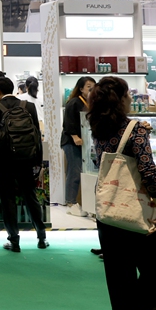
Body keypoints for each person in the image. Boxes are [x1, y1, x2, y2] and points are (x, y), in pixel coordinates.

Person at [87, 76, 156, 310]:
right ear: (122, 99)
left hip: (108, 211)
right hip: (134, 210)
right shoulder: (135, 129)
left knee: (119, 274)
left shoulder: (97, 129)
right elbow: (147, 169)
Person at [0, 75, 47, 251]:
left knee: (7, 198)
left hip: (3, 159)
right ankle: (41, 237)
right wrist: (38, 160)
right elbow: (36, 133)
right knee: (30, 195)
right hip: (26, 158)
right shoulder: (28, 106)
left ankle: (14, 240)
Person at [61, 76, 95, 217]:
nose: (91, 90)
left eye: (93, 87)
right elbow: (68, 123)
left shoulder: (90, 103)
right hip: (71, 142)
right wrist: (75, 136)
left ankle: (81, 202)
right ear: (80, 89)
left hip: (84, 143)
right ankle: (70, 202)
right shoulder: (74, 102)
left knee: (82, 171)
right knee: (74, 171)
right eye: (89, 87)